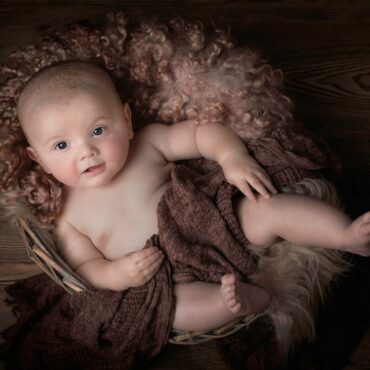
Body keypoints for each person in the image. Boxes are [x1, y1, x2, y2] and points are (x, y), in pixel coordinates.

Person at [16, 60, 370, 332]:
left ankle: (344, 235)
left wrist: (232, 158)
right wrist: (118, 274)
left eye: (98, 130)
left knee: (268, 209)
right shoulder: (65, 215)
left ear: (125, 119)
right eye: (61, 145)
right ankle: (247, 299)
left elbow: (202, 134)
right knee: (173, 312)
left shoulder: (148, 143)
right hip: (169, 276)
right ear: (39, 159)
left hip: (216, 222)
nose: (86, 152)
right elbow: (85, 268)